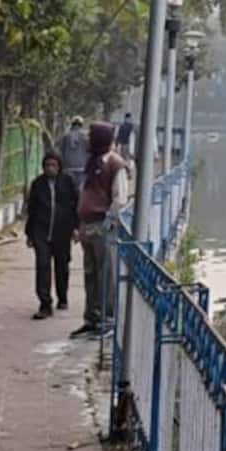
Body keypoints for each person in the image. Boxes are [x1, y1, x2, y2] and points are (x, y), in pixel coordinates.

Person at [70, 121, 131, 338]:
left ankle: (108, 319)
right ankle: (92, 318)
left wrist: (108, 221)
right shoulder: (92, 161)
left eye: (91, 134)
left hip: (102, 227)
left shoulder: (115, 164)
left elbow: (120, 198)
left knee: (105, 274)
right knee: (90, 275)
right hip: (87, 227)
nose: (87, 138)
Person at [24, 153, 78, 320]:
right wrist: (30, 234)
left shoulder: (67, 182)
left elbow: (76, 204)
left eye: (54, 165)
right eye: (47, 165)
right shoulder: (38, 184)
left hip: (62, 232)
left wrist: (76, 227)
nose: (50, 168)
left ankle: (62, 297)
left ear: (59, 166)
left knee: (62, 266)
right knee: (43, 265)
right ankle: (45, 304)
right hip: (41, 231)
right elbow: (31, 209)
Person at [59, 116, 90, 194]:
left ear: (72, 124)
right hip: (82, 166)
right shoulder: (86, 136)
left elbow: (61, 150)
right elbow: (89, 150)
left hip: (68, 166)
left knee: (68, 187)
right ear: (81, 125)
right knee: (80, 189)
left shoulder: (65, 136)